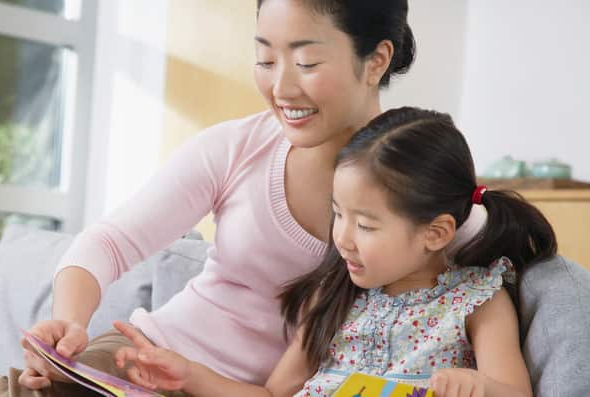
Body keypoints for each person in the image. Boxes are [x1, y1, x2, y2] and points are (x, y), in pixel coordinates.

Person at [0, 1, 482, 396]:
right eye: (265, 58)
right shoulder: (236, 148)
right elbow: (108, 242)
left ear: (375, 60)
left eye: (306, 62)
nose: (281, 86)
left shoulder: (420, 189)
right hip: (137, 366)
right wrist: (67, 324)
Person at [111, 107, 556, 397]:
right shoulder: (336, 294)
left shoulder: (476, 298)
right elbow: (272, 395)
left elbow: (516, 393)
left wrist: (477, 386)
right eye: (337, 214)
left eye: (364, 225)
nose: (342, 237)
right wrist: (189, 374)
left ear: (436, 233)